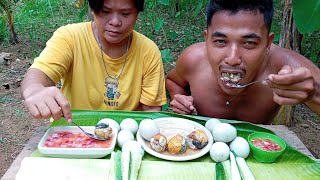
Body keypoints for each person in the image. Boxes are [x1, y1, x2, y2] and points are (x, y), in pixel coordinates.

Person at [166, 0, 320, 124]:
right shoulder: (193, 59)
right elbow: (174, 82)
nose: (232, 59)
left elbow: (313, 87)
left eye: (249, 43)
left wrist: (314, 94)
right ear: (206, 39)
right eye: (220, 41)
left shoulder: (285, 66)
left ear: (268, 42)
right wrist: (180, 99)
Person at [21, 0, 167, 122]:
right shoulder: (70, 38)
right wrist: (34, 89)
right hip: (75, 132)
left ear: (137, 13)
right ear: (92, 9)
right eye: (105, 11)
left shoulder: (148, 51)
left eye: (125, 13)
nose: (115, 22)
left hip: (126, 136)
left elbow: (151, 111)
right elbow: (40, 73)